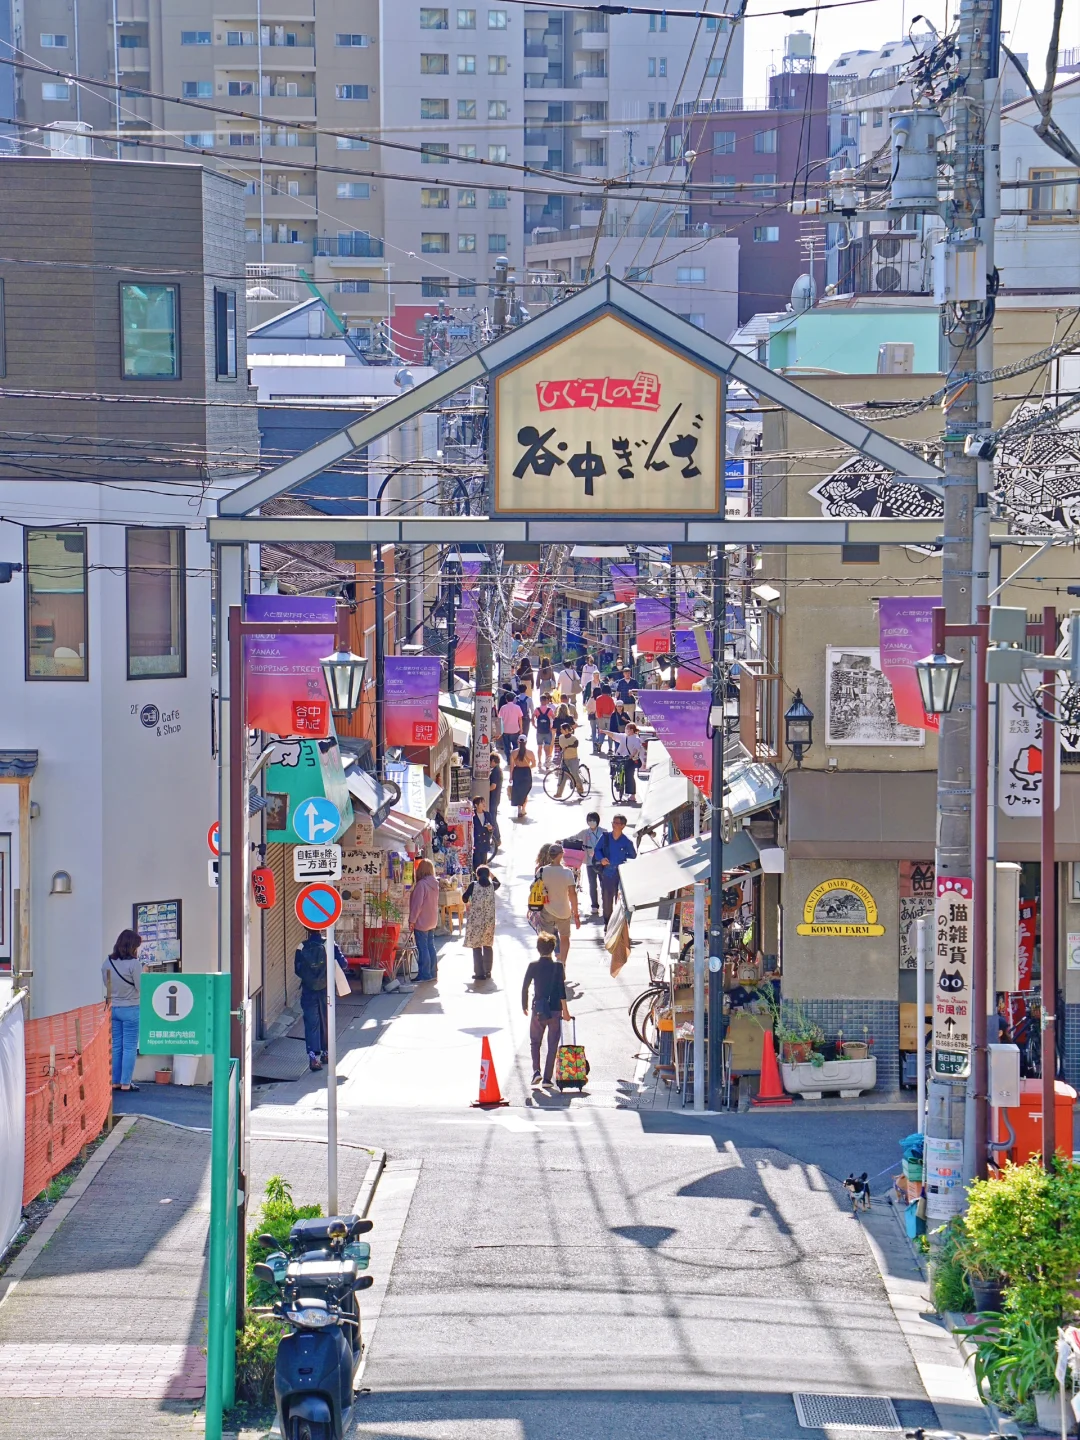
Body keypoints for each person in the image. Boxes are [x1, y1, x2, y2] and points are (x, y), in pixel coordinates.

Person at [521, 932, 572, 1088]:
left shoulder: (533, 966)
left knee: (535, 1042)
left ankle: (536, 1071)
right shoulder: (558, 966)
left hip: (539, 1009)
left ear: (538, 949)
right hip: (555, 1009)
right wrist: (566, 1010)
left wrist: (524, 1005)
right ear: (553, 948)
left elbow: (525, 987)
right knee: (552, 1044)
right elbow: (561, 990)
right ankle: (547, 1079)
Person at [293, 927, 348, 1070]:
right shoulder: (329, 944)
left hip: (308, 990)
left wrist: (310, 978)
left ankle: (312, 1058)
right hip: (326, 989)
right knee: (326, 1020)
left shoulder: (301, 946)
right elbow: (343, 963)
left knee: (311, 1023)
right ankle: (326, 1053)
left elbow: (297, 969)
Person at [103, 929, 144, 1092]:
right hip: (131, 1008)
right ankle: (126, 1083)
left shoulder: (107, 962)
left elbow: (107, 985)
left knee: (116, 1046)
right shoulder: (134, 964)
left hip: (113, 1008)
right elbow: (140, 987)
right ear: (132, 946)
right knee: (129, 1047)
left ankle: (115, 1081)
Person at [539, 842, 580, 968]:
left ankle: (548, 964)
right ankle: (562, 963)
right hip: (564, 911)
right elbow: (572, 894)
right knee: (564, 937)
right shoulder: (567, 873)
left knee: (547, 938)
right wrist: (576, 914)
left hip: (547, 910)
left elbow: (535, 888)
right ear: (561, 855)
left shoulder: (542, 871)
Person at [593, 813, 637, 925]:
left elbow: (633, 855)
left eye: (617, 823)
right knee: (607, 900)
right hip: (607, 873)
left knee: (621, 900)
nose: (614, 825)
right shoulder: (605, 837)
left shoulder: (626, 841)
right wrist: (601, 858)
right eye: (613, 822)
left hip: (621, 874)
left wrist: (623, 858)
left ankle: (620, 924)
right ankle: (607, 923)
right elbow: (597, 849)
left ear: (623, 826)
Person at [463, 864, 501, 981]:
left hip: (476, 921)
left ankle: (479, 973)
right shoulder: (492, 886)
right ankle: (488, 971)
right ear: (488, 875)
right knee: (488, 945)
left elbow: (464, 898)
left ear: (477, 875)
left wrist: (470, 901)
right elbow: (498, 882)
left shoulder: (473, 885)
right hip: (489, 921)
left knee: (477, 946)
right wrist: (491, 874)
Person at [408, 857, 441, 983]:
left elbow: (417, 905)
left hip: (422, 920)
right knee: (430, 945)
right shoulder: (435, 884)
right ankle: (433, 972)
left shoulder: (421, 885)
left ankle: (424, 974)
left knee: (423, 947)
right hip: (432, 919)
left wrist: (412, 920)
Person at [568, 812, 603, 916]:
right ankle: (594, 906)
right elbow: (573, 838)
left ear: (597, 821)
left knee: (604, 884)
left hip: (602, 862)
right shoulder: (584, 833)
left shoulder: (603, 832)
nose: (591, 822)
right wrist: (562, 841)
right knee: (592, 885)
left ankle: (606, 904)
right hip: (590, 862)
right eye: (589, 820)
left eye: (593, 820)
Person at [611, 721, 645, 804]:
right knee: (614, 764)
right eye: (626, 728)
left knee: (629, 775)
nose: (625, 730)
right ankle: (616, 781)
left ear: (632, 730)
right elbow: (614, 735)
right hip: (622, 757)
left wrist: (631, 755)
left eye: (627, 729)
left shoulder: (636, 738)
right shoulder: (624, 737)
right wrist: (604, 732)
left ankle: (632, 795)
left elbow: (636, 748)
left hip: (632, 760)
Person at [554, 722, 586, 799]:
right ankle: (559, 793)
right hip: (564, 759)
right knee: (562, 776)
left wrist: (568, 746)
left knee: (574, 773)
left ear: (567, 730)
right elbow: (558, 747)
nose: (561, 730)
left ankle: (580, 788)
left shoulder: (573, 738)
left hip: (573, 759)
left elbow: (576, 744)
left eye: (562, 729)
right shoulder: (560, 737)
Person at [508, 735, 535, 819]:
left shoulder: (514, 753)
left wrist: (511, 776)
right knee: (525, 791)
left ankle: (519, 808)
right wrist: (528, 767)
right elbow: (534, 764)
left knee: (517, 791)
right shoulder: (530, 753)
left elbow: (511, 766)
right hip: (526, 772)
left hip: (517, 772)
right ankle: (523, 808)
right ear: (526, 742)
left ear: (518, 742)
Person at [497, 690, 523, 761]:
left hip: (505, 730)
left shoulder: (503, 708)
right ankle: (514, 759)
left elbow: (499, 719)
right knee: (515, 746)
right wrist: (521, 728)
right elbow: (520, 719)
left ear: (506, 699)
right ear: (514, 699)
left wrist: (499, 730)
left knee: (506, 747)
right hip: (515, 730)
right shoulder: (517, 707)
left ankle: (509, 759)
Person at [533, 693, 555, 771]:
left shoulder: (537, 709)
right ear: (546, 701)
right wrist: (552, 727)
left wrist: (534, 725)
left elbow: (532, 717)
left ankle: (539, 762)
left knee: (539, 747)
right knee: (547, 747)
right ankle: (547, 762)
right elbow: (553, 717)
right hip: (547, 731)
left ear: (540, 701)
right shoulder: (549, 710)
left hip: (539, 731)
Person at [472, 799, 496, 871]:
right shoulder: (472, 815)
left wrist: (490, 828)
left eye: (484, 802)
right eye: (482, 803)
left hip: (485, 842)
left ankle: (484, 878)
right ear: (476, 805)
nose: (484, 804)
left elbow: (492, 826)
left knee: (483, 863)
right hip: (476, 843)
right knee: (476, 863)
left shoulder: (487, 814)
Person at [487, 754, 503, 849]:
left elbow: (493, 786)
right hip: (495, 798)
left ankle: (497, 838)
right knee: (492, 818)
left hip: (494, 799)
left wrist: (484, 790)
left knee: (493, 818)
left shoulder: (496, 772)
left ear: (493, 761)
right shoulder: (497, 771)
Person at [593, 683, 616, 749]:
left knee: (602, 732)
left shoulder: (598, 698)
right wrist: (609, 714)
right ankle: (610, 748)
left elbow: (598, 709)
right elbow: (613, 708)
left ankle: (600, 743)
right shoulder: (610, 699)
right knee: (609, 733)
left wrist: (600, 716)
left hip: (601, 717)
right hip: (609, 717)